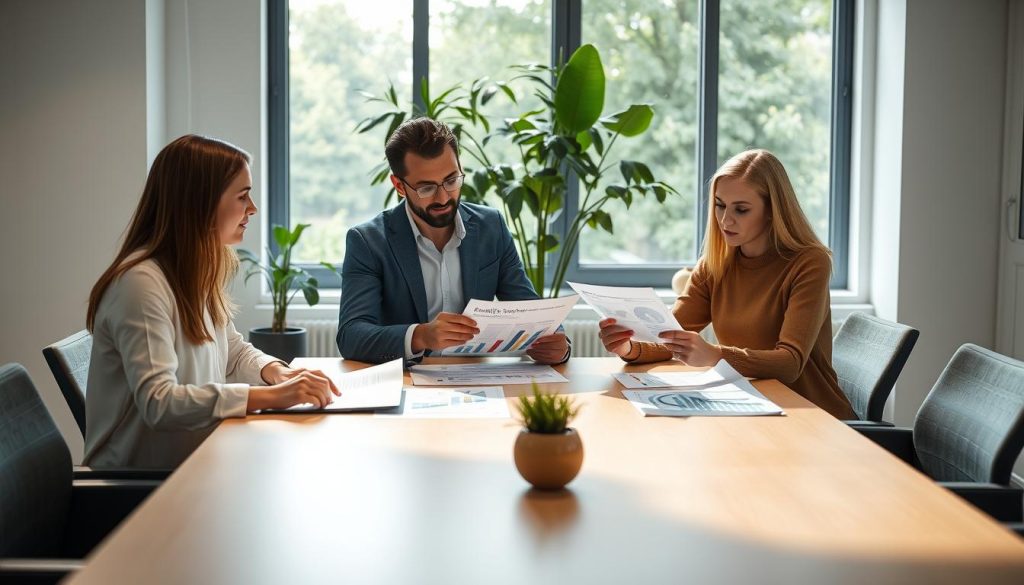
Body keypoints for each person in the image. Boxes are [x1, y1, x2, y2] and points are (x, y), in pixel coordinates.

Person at [84, 135, 340, 469]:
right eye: (243, 196)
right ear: (201, 203)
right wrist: (272, 397)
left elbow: (232, 350)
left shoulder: (191, 271)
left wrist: (277, 372)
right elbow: (159, 401)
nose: (253, 209)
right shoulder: (140, 285)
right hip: (138, 488)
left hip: (193, 462)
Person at [598, 149, 856, 419]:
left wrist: (713, 355)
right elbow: (669, 335)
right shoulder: (715, 264)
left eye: (741, 210)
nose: (725, 220)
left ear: (772, 211)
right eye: (720, 205)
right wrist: (628, 346)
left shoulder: (809, 262)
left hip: (814, 415)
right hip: (753, 406)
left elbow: (790, 363)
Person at [337, 118, 570, 364]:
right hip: (407, 381)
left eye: (451, 180)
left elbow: (530, 312)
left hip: (476, 380)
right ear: (399, 186)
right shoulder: (368, 241)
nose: (443, 197)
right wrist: (421, 335)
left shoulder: (491, 227)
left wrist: (559, 347)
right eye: (426, 188)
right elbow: (351, 336)